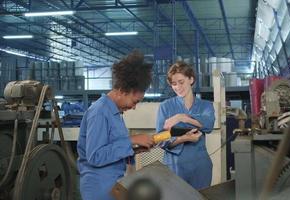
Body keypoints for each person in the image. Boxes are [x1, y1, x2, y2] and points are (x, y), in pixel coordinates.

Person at [77, 51, 154, 200]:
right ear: (122, 91)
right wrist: (131, 141)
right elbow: (95, 156)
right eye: (134, 101)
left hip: (112, 185)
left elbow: (112, 147)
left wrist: (133, 149)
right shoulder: (99, 112)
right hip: (99, 188)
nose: (134, 107)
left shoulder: (115, 113)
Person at [156, 61, 215, 189]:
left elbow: (208, 125)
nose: (178, 87)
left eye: (181, 82)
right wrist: (184, 139)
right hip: (174, 166)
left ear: (191, 79)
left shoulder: (206, 105)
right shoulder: (165, 107)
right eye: (174, 84)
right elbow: (160, 139)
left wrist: (181, 117)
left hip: (200, 166)